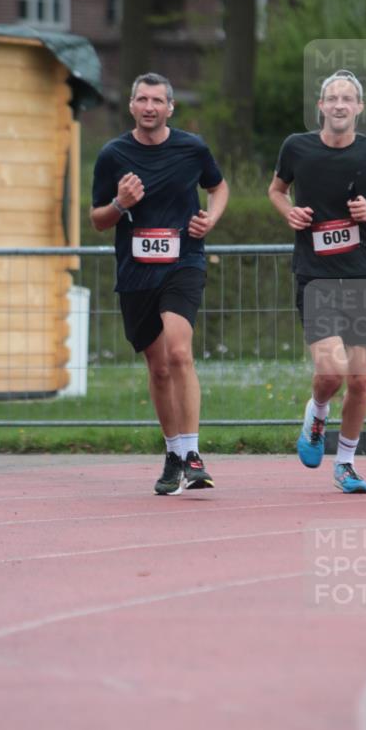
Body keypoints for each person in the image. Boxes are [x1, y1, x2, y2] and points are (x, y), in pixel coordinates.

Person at [268, 69, 366, 493]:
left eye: (347, 99)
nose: (338, 105)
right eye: (331, 98)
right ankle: (316, 415)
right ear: (320, 106)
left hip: (364, 274)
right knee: (331, 372)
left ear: (359, 108)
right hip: (315, 275)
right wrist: (288, 212)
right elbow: (276, 190)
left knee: (362, 380)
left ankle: (346, 464)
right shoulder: (296, 147)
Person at [91, 72, 229, 495]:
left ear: (170, 107)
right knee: (159, 366)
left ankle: (192, 453)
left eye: (157, 100)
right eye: (142, 99)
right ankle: (172, 454)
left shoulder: (192, 147)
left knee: (180, 350)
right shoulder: (113, 154)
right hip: (136, 273)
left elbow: (218, 187)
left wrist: (211, 219)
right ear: (131, 106)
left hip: (183, 262)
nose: (149, 107)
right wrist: (120, 203)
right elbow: (97, 220)